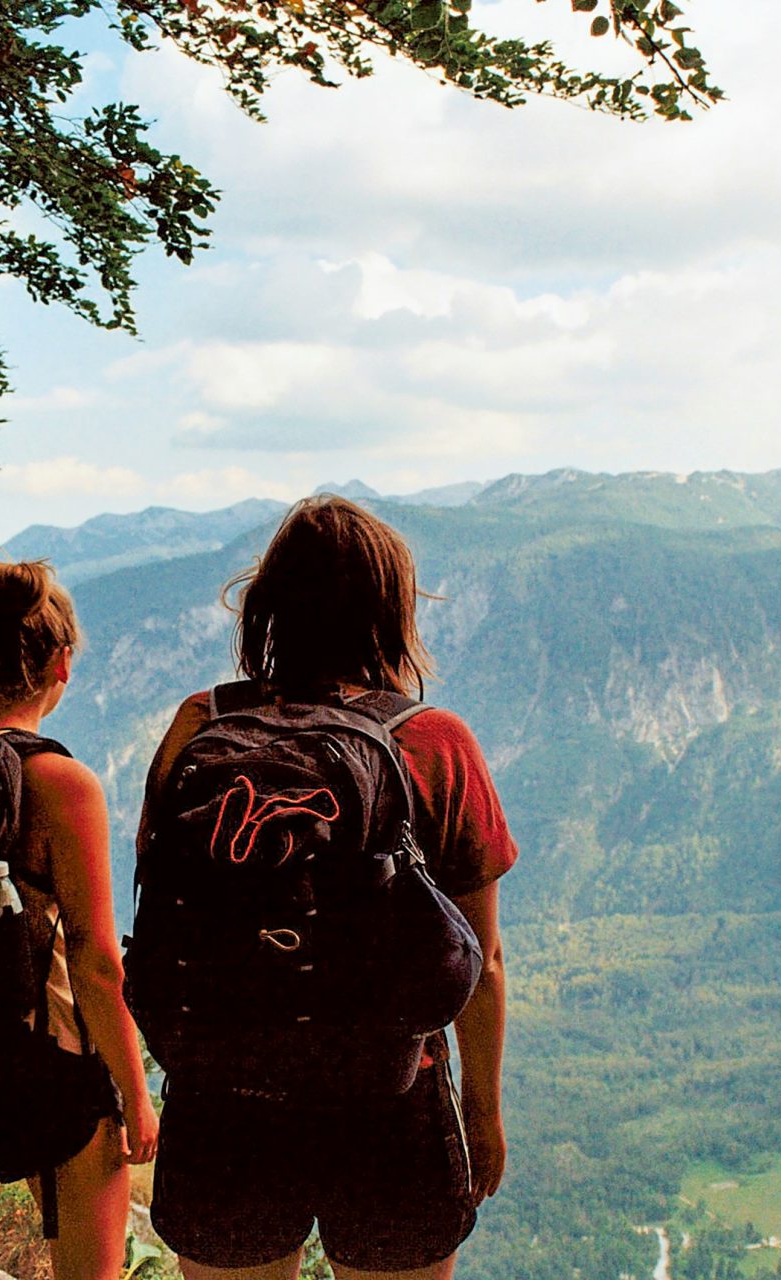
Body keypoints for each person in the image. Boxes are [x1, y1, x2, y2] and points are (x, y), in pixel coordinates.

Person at [144, 495, 516, 1280]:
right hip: (391, 1099)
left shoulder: (197, 725)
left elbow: (163, 898)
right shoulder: (435, 743)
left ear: (270, 605)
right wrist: (482, 1115)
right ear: (391, 613)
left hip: (222, 1097)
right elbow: (479, 961)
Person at [0, 560, 159, 1280]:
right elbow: (96, 961)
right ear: (62, 663)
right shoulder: (62, 783)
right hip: (47, 1056)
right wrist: (136, 1097)